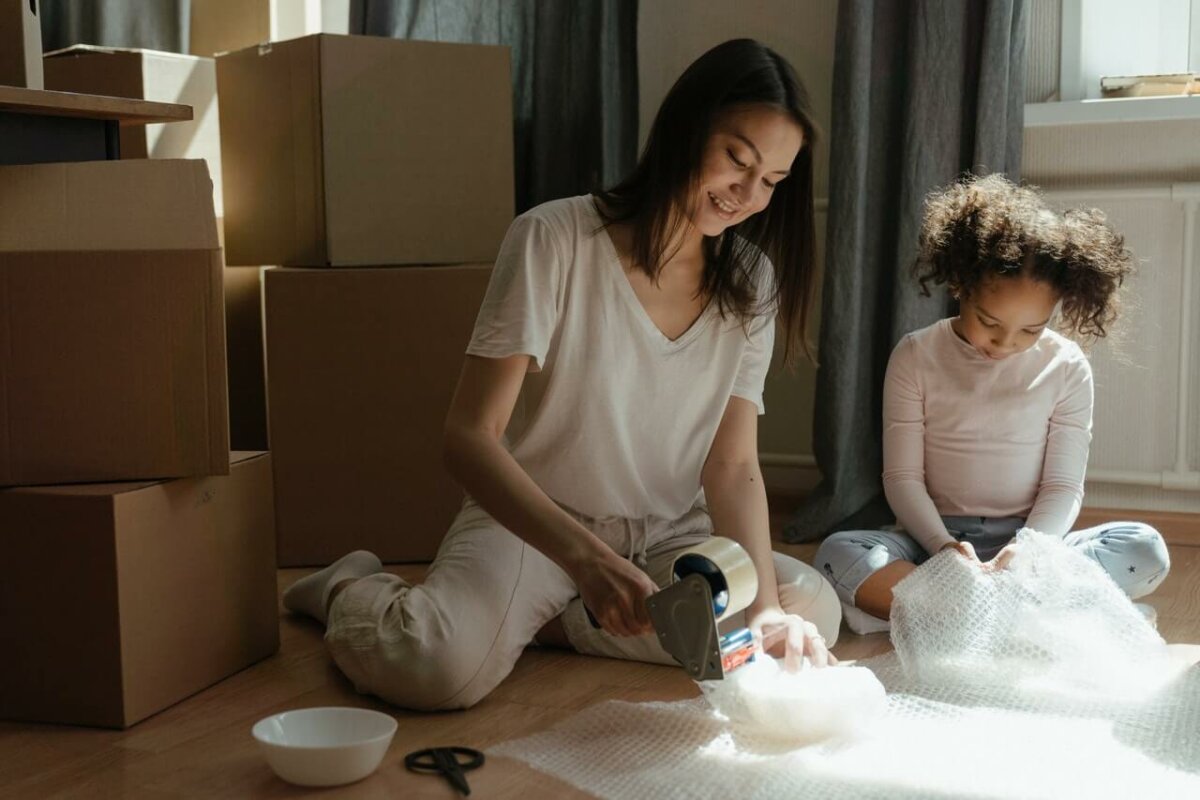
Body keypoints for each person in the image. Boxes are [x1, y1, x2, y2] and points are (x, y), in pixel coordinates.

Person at [283, 38, 842, 710]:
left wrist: (767, 614)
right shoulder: (553, 238)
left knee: (806, 607)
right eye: (738, 160)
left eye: (772, 183)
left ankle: (557, 622)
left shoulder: (752, 281)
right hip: (535, 527)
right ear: (686, 127)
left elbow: (733, 468)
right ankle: (350, 587)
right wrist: (586, 559)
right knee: (432, 667)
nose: (748, 196)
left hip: (670, 537)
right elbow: (468, 437)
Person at [816, 173, 1171, 635]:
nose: (1005, 344)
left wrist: (1026, 550)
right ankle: (1024, 616)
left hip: (1031, 547)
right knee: (838, 553)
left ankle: (956, 615)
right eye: (989, 322)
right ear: (961, 286)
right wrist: (943, 547)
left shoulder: (1066, 366)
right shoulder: (915, 355)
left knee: (1144, 550)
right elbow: (902, 478)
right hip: (933, 545)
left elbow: (1063, 487)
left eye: (1031, 330)